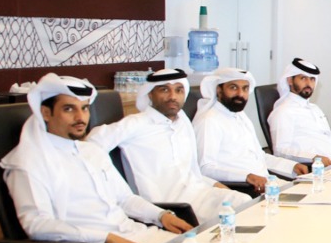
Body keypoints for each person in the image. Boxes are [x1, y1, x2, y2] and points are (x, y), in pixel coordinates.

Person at [0, 73, 192, 243]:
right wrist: (107, 238)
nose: (80, 117)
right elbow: (38, 225)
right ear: (46, 113)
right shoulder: (27, 162)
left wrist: (161, 216)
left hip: (132, 234)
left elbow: (125, 199)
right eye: (68, 109)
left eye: (84, 108)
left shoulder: (91, 150)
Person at [88, 68, 251, 225]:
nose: (173, 96)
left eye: (179, 90)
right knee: (239, 221)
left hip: (201, 192)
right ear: (150, 94)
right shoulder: (136, 123)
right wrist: (113, 186)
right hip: (174, 207)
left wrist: (218, 187)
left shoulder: (183, 121)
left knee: (245, 202)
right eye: (165, 90)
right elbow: (92, 144)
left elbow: (192, 172)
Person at [193, 67, 308, 195]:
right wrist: (246, 177)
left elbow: (260, 156)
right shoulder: (209, 121)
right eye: (233, 87)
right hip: (242, 190)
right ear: (218, 90)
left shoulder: (241, 117)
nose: (240, 94)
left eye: (245, 88)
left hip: (267, 184)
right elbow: (205, 169)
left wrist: (291, 166)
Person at [267, 57, 331, 167]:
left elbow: (330, 141)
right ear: (290, 80)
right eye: (303, 78)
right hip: (314, 169)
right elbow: (281, 151)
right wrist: (313, 158)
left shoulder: (315, 109)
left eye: (312, 79)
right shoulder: (283, 112)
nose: (308, 83)